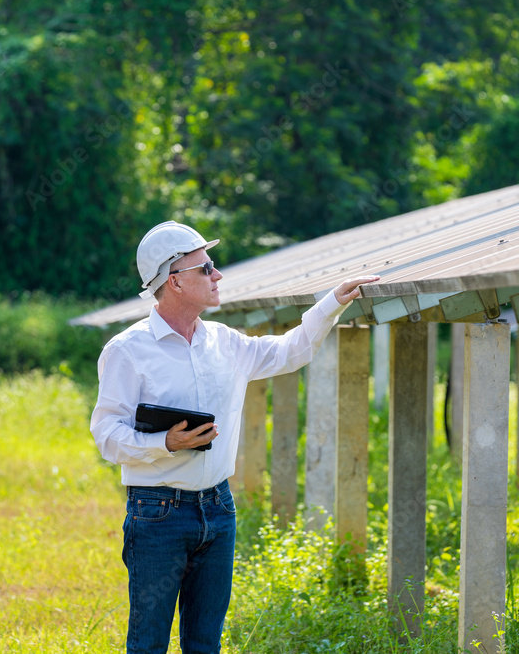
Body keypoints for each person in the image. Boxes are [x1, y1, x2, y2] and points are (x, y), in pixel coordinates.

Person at [90, 221, 377, 654]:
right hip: (157, 514)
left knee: (205, 642)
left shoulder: (226, 343)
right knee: (148, 642)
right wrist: (165, 443)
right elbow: (106, 435)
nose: (217, 275)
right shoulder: (127, 350)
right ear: (175, 281)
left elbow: (291, 351)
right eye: (206, 268)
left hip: (219, 507)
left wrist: (332, 303)